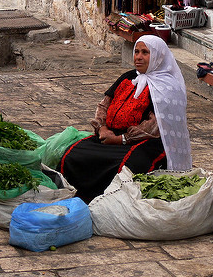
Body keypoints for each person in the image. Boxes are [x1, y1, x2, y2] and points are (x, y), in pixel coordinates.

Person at [59, 34, 192, 203]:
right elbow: (104, 104)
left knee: (128, 167)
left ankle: (112, 201)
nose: (138, 57)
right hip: (110, 134)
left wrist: (121, 139)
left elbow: (156, 125)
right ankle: (81, 196)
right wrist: (102, 127)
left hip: (144, 141)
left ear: (158, 57)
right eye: (136, 51)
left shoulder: (167, 87)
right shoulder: (129, 77)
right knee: (74, 155)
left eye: (145, 52)